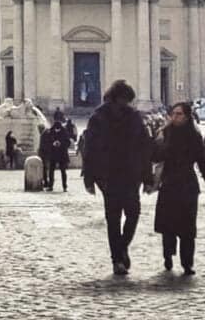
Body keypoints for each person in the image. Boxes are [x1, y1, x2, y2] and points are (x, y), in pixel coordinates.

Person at [82, 79, 153, 276]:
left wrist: (89, 179)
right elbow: (144, 149)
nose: (126, 104)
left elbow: (144, 147)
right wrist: (147, 178)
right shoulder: (107, 117)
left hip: (116, 175)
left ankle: (119, 252)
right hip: (120, 175)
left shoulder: (108, 117)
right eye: (125, 100)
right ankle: (119, 255)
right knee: (125, 215)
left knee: (120, 217)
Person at [151, 102, 205, 276]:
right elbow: (154, 156)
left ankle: (187, 263)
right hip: (169, 184)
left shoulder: (194, 136)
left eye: (179, 114)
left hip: (187, 185)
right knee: (168, 226)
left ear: (187, 116)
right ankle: (168, 256)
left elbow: (202, 160)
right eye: (173, 113)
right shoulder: (164, 134)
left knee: (188, 228)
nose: (175, 117)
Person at [50, 110, 73, 192]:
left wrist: (60, 143)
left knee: (63, 171)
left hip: (62, 154)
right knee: (51, 171)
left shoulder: (64, 131)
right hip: (54, 154)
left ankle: (64, 186)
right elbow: (48, 141)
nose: (57, 130)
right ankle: (51, 185)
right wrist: (53, 143)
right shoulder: (51, 130)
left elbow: (68, 142)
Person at [39, 120, 58, 191]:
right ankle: (47, 183)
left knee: (49, 170)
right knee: (47, 170)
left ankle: (49, 184)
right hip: (46, 154)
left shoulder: (45, 134)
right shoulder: (45, 133)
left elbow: (46, 145)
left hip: (47, 155)